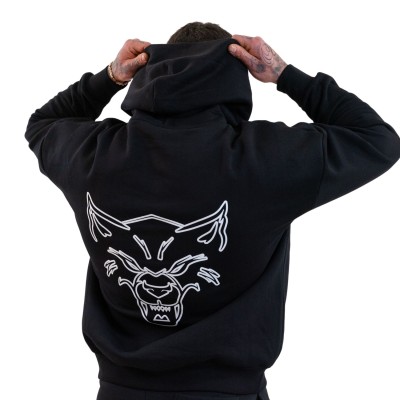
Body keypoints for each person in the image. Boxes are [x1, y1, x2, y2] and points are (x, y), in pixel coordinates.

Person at [25, 22, 400, 400]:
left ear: (147, 71)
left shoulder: (92, 155)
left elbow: (41, 125)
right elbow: (378, 140)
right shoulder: (267, 159)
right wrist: (284, 74)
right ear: (234, 76)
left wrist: (109, 77)